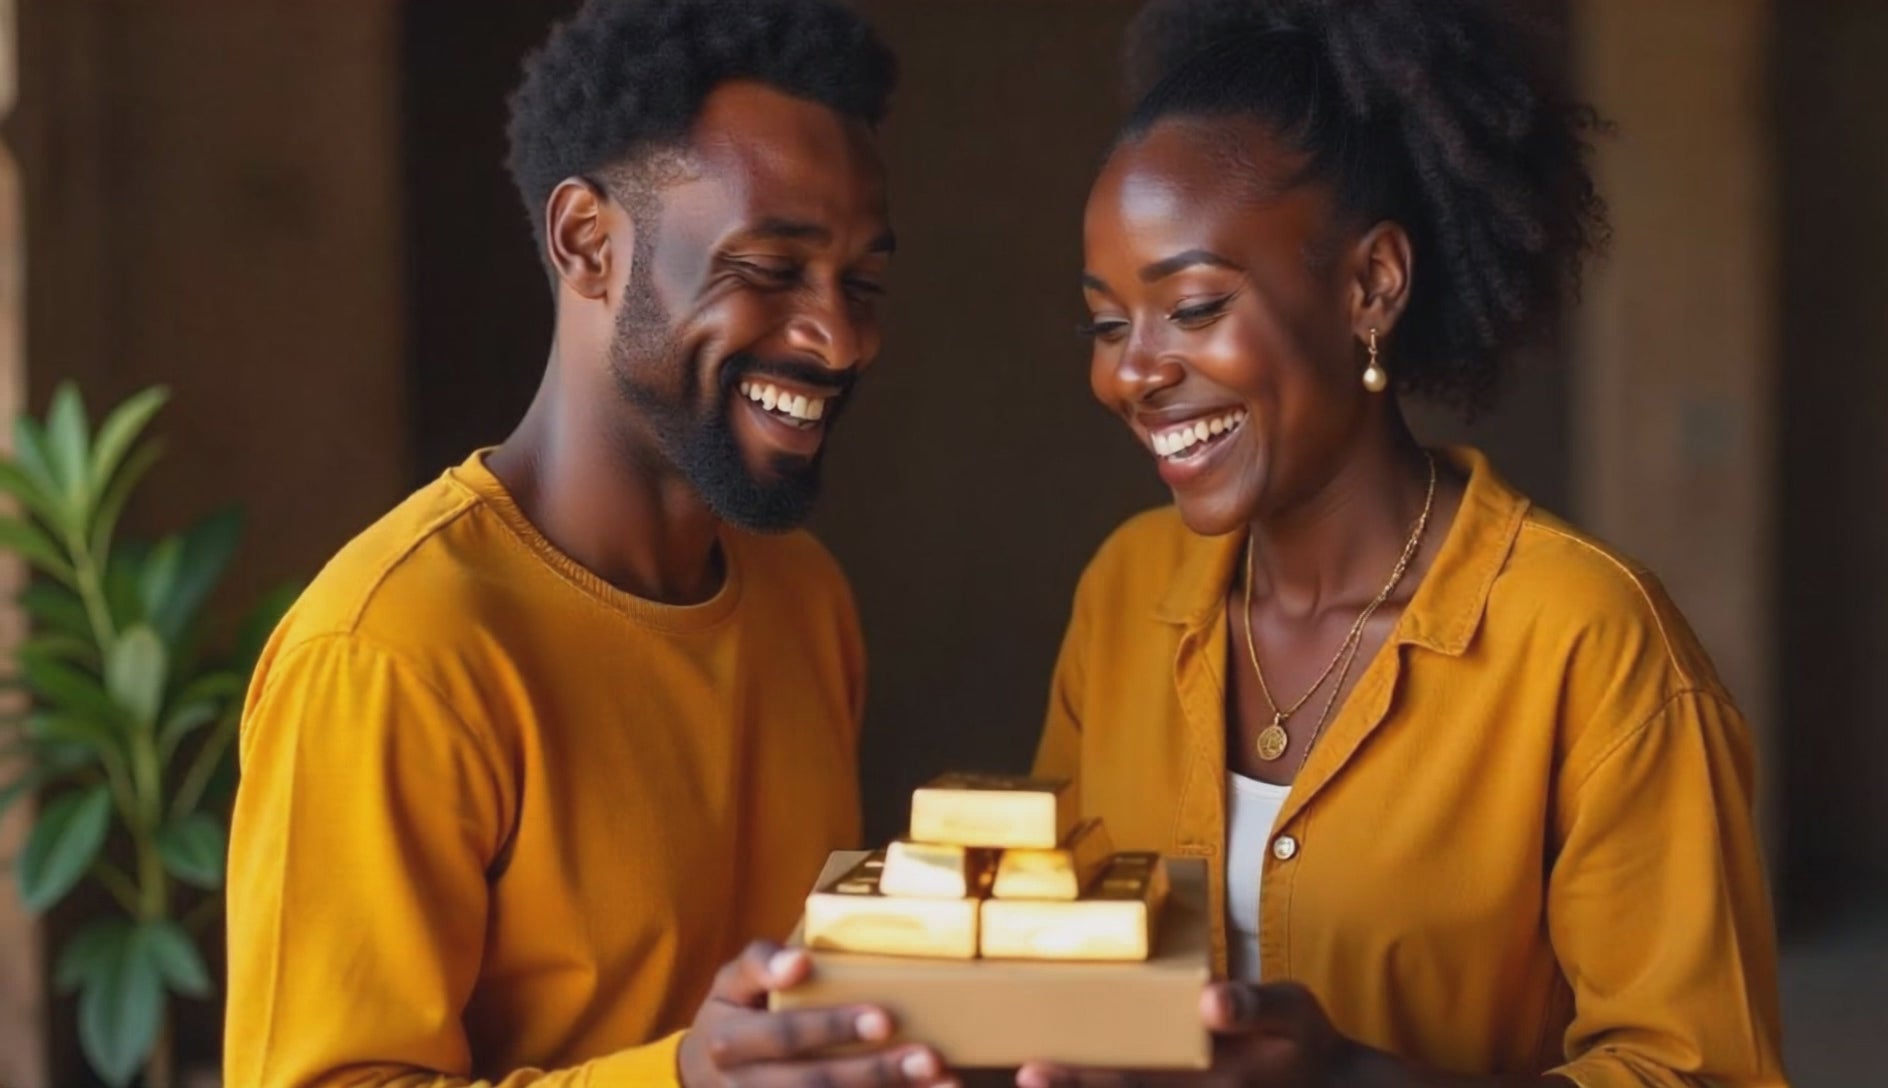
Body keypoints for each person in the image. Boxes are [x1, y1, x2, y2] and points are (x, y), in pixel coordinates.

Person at [1026, 1, 1788, 1085]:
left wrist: (1350, 1076)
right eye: (1108, 324)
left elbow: (1694, 1069)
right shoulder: (1124, 590)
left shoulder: (1589, 644)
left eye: (1191, 307)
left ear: (1370, 284)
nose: (1133, 372)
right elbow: (1049, 951)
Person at [224, 2, 953, 1086]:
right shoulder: (390, 652)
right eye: (769, 268)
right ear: (588, 244)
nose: (839, 336)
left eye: (863, 281)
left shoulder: (802, 594)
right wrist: (685, 1077)